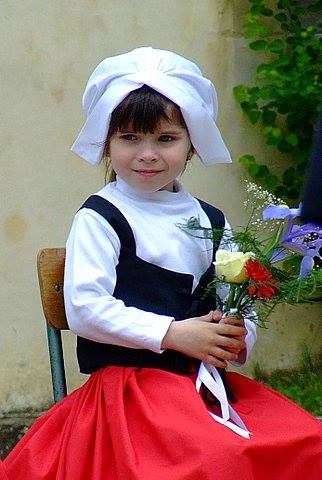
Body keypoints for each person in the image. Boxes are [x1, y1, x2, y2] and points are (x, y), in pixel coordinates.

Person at [1, 47, 321, 480]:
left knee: (306, 442)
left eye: (166, 139)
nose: (147, 154)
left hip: (199, 387)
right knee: (209, 460)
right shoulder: (101, 216)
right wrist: (173, 333)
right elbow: (85, 307)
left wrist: (233, 332)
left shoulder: (210, 220)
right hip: (132, 393)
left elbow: (236, 300)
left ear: (191, 147)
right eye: (130, 138)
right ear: (107, 144)